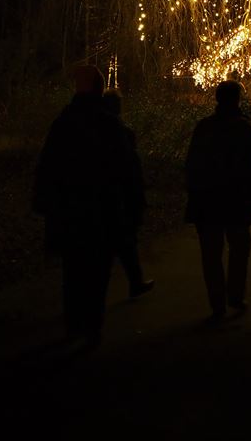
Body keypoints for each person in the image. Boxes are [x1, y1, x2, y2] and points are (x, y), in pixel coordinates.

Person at [33, 66, 149, 345]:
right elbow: (127, 172)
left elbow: (47, 167)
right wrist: (134, 209)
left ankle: (75, 325)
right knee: (98, 273)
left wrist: (45, 205)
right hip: (103, 213)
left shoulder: (64, 122)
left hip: (70, 213)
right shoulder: (110, 126)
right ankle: (92, 328)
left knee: (72, 273)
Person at [185, 80, 251, 320]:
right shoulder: (243, 129)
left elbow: (192, 164)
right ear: (238, 99)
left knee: (211, 253)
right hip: (236, 199)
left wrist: (194, 193)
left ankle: (217, 302)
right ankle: (236, 295)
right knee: (239, 248)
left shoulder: (204, 127)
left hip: (208, 200)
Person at [101, 88, 156, 291]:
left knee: (119, 242)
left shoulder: (96, 130)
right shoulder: (120, 132)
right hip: (117, 196)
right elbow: (129, 168)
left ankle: (134, 281)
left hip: (108, 196)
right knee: (123, 241)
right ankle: (133, 282)